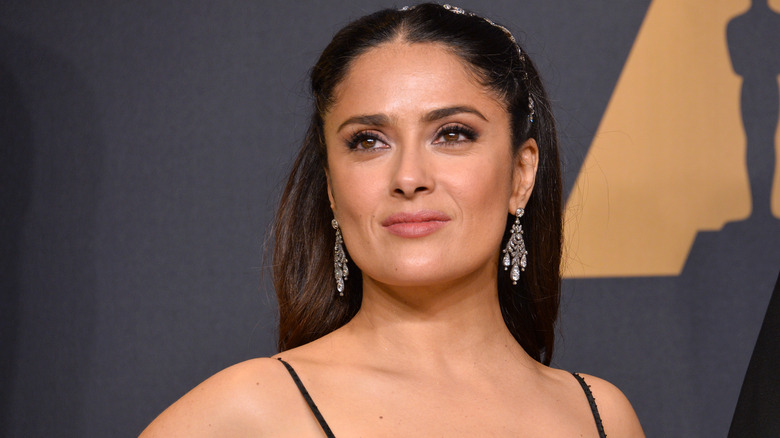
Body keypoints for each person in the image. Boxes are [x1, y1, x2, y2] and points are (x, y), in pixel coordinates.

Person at [140, 4, 644, 437]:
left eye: (452, 134)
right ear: (332, 189)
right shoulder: (246, 414)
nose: (408, 177)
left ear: (520, 173)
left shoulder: (599, 416)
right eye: (368, 141)